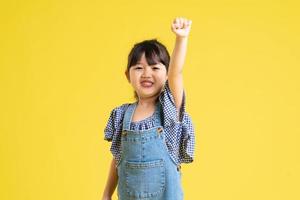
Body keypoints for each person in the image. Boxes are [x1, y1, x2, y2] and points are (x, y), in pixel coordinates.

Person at [102, 17, 195, 200]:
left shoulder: (169, 111)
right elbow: (118, 159)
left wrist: (181, 38)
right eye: (138, 68)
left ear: (166, 75)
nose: (146, 74)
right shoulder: (121, 115)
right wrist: (106, 194)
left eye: (154, 67)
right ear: (127, 75)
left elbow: (177, 72)